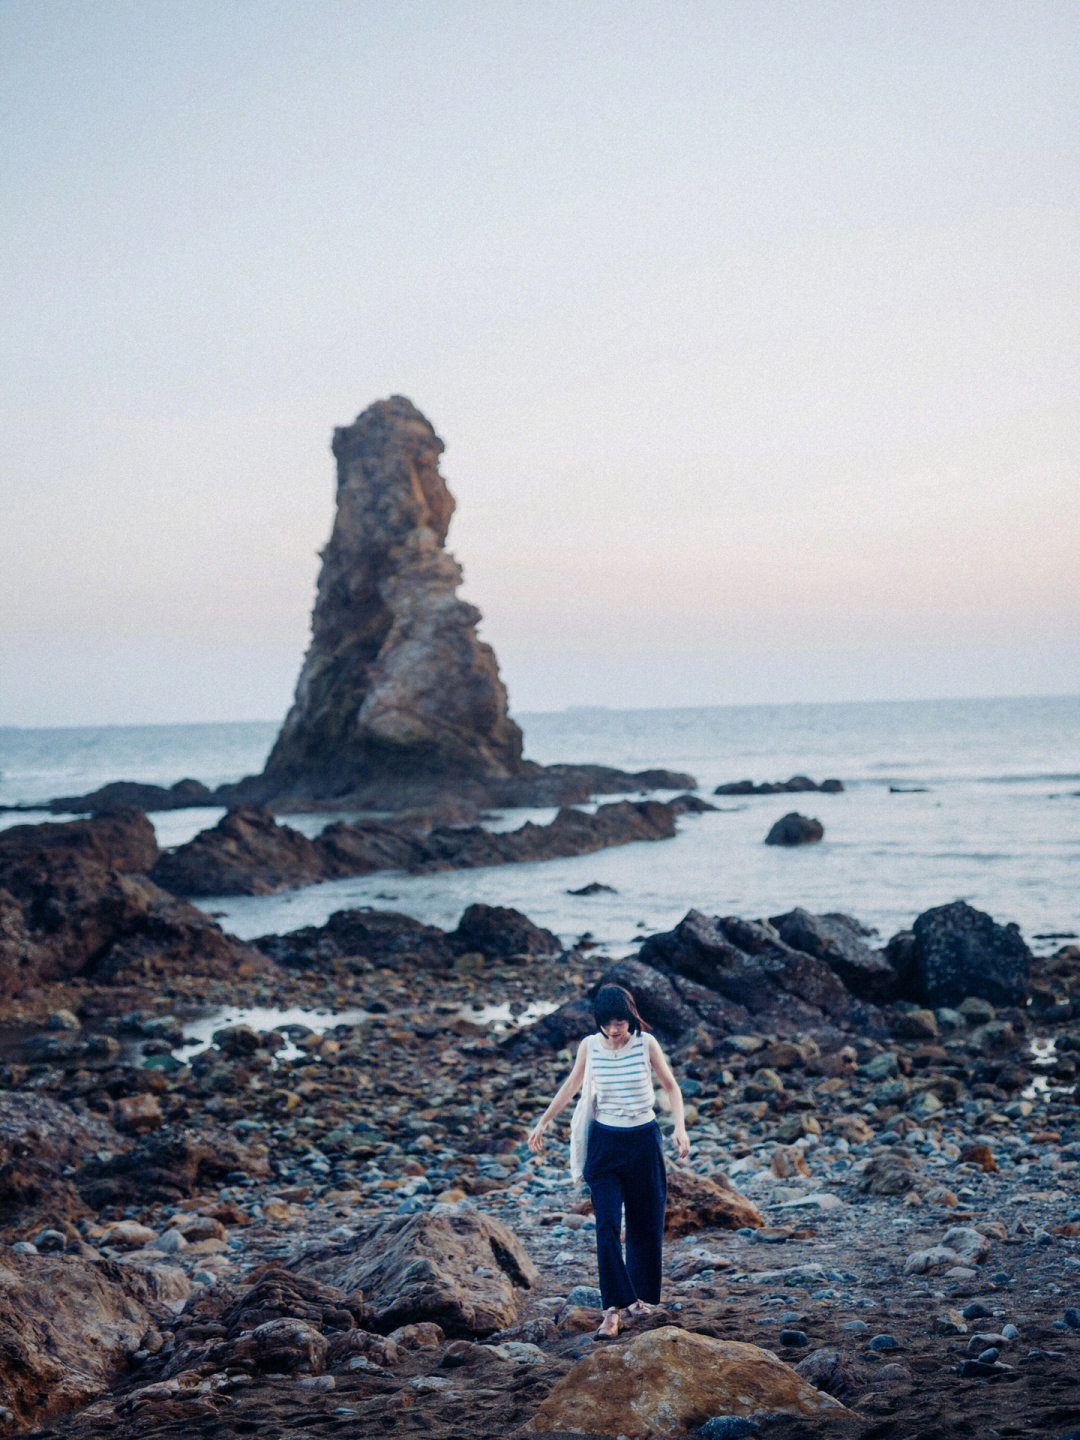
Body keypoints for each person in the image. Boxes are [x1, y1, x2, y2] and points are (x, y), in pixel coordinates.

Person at [528, 984, 690, 1338]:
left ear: (630, 1018)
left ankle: (638, 1297)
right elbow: (572, 1085)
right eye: (608, 1024)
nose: (614, 1030)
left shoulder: (646, 1044)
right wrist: (543, 1121)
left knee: (645, 1224)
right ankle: (612, 1311)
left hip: (644, 1142)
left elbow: (672, 1087)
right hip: (605, 1144)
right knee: (605, 1227)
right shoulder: (590, 1045)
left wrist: (680, 1127)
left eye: (620, 1023)